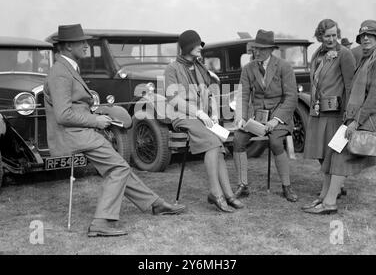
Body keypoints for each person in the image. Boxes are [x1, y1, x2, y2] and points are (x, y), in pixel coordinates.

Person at [44, 24, 185, 237]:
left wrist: (99, 111)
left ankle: (155, 204)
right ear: (66, 46)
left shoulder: (67, 68)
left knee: (118, 167)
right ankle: (101, 222)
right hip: (73, 134)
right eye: (81, 42)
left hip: (79, 132)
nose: (86, 45)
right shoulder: (61, 73)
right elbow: (63, 115)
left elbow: (73, 106)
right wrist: (96, 120)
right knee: (118, 169)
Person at [164, 30, 244, 213]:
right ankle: (216, 194)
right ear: (187, 47)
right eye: (197, 44)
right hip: (182, 117)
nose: (201, 47)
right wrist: (199, 112)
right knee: (213, 143)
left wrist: (214, 113)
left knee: (220, 148)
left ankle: (229, 194)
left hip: (203, 117)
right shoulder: (172, 69)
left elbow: (210, 93)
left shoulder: (200, 67)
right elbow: (173, 99)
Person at [233, 29, 298, 202]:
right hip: (256, 119)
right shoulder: (248, 69)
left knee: (276, 142)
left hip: (279, 118)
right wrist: (241, 118)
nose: (257, 52)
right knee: (238, 140)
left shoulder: (284, 67)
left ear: (271, 49)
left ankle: (286, 187)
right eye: (255, 48)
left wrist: (275, 120)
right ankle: (243, 185)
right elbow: (243, 95)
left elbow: (291, 97)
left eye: (261, 49)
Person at [302, 19, 356, 214]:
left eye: (334, 35)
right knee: (323, 155)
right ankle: (324, 196)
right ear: (320, 36)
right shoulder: (317, 54)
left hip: (336, 114)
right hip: (318, 111)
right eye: (327, 36)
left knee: (334, 155)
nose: (331, 39)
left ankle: (328, 197)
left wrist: (349, 115)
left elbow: (351, 86)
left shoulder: (345, 54)